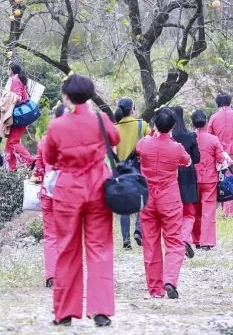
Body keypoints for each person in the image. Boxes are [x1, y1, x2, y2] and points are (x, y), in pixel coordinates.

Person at [39, 75, 119, 327]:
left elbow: (49, 156)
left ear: (66, 96)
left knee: (67, 250)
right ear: (90, 95)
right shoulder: (100, 119)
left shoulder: (57, 126)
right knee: (99, 249)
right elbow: (115, 139)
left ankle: (64, 313)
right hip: (97, 188)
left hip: (68, 192)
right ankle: (101, 311)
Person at [137, 107, 192, 299]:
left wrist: (154, 132)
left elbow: (140, 151)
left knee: (150, 243)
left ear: (153, 125)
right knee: (174, 241)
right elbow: (187, 161)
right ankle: (170, 280)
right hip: (169, 198)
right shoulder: (176, 147)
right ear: (173, 127)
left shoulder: (143, 144)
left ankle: (155, 289)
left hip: (147, 199)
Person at [33, 103, 66, 288]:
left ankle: (51, 276)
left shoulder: (45, 140)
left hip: (47, 192)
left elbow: (38, 167)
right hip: (66, 194)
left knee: (50, 235)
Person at [113, 97, 150, 249]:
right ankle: (138, 230)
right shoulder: (142, 125)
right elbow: (151, 143)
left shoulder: (114, 128)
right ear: (132, 109)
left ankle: (126, 241)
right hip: (139, 169)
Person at [190, 109, 225, 250]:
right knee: (208, 211)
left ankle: (196, 240)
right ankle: (207, 242)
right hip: (209, 179)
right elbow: (221, 159)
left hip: (192, 180)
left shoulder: (190, 138)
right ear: (206, 121)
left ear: (192, 123)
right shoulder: (213, 139)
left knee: (194, 211)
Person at [170, 105, 201, 259]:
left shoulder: (169, 136)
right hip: (188, 175)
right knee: (189, 211)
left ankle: (176, 240)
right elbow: (196, 158)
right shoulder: (190, 136)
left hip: (171, 175)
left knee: (174, 210)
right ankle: (184, 238)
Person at [206, 92, 233, 217]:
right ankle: (229, 211)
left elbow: (209, 135)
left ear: (218, 103)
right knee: (231, 178)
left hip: (218, 151)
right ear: (230, 101)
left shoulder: (214, 117)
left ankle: (224, 209)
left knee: (221, 180)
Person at [1, 62, 35, 171]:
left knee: (13, 141)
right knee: (10, 142)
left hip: (18, 115)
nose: (7, 71)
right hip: (23, 114)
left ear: (10, 69)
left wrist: (7, 97)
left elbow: (18, 97)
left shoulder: (15, 79)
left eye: (8, 69)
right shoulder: (20, 78)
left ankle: (30, 160)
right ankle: (11, 167)